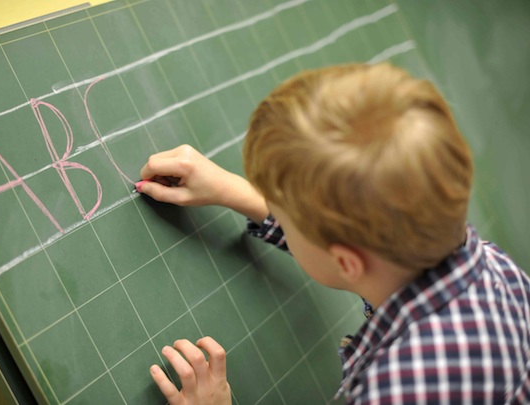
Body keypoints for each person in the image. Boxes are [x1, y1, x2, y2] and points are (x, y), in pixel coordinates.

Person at [139, 63, 530, 404]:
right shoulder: (494, 269)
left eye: (285, 218)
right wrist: (245, 195)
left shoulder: (396, 390)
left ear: (347, 262)